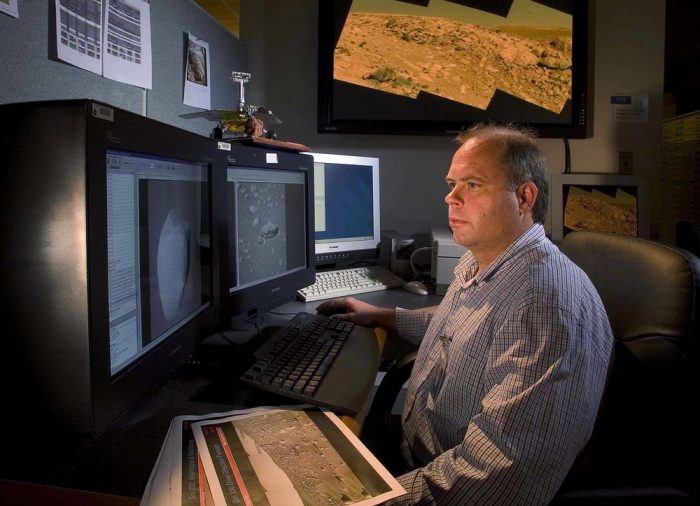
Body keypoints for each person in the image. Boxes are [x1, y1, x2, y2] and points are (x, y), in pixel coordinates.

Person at [317, 123, 614, 504]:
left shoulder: (543, 305)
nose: (451, 197)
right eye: (452, 183)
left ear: (524, 197)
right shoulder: (491, 259)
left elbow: (491, 481)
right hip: (420, 454)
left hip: (444, 481)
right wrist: (383, 315)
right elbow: (465, 322)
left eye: (472, 184)